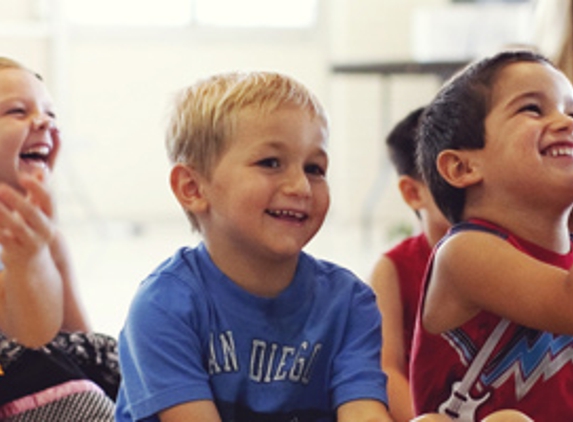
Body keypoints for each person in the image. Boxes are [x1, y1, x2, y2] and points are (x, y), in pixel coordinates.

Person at [115, 71, 392, 422]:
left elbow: (364, 414)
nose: (301, 187)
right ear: (193, 188)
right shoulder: (164, 306)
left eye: (315, 168)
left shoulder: (349, 302)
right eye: (270, 163)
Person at [409, 49, 573, 421]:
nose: (565, 121)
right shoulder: (466, 252)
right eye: (533, 108)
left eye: (570, 111)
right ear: (463, 166)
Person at [0, 57, 119, 421]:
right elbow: (29, 338)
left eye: (51, 114)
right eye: (18, 111)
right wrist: (27, 263)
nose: (44, 122)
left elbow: (78, 343)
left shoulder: (48, 238)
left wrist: (37, 255)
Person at [368, 107, 449, 422]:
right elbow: (386, 368)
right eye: (449, 174)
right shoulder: (393, 268)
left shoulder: (509, 253)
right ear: (413, 192)